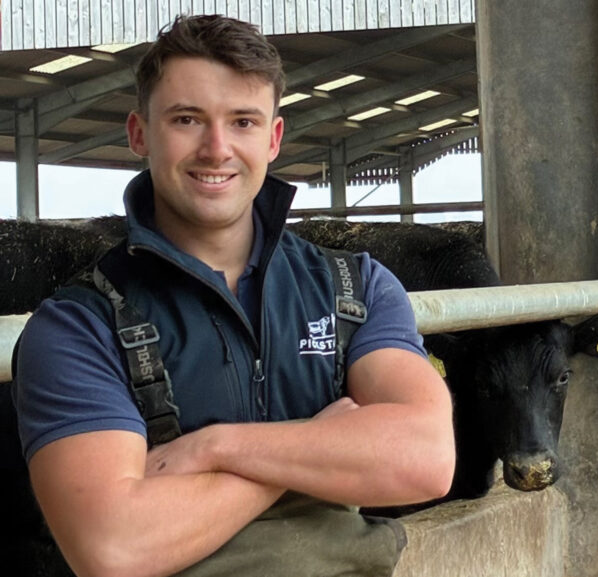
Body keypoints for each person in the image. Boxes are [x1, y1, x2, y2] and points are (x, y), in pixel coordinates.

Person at [12, 14, 455, 577]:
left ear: (273, 139)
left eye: (242, 121)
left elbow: (427, 460)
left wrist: (216, 447)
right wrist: (319, 443)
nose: (216, 148)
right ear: (139, 132)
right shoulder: (81, 325)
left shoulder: (355, 287)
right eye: (187, 119)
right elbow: (114, 547)